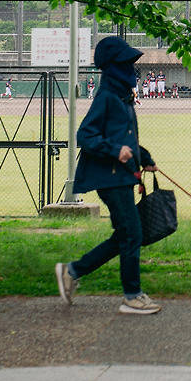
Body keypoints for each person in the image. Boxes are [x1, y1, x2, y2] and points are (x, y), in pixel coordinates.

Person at [55, 37, 161, 315]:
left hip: (122, 176)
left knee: (126, 234)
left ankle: (72, 271)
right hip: (109, 178)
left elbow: (124, 137)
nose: (131, 69)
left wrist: (144, 158)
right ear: (113, 66)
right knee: (133, 233)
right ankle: (132, 296)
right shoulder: (107, 97)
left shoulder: (122, 96)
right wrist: (115, 151)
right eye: (126, 63)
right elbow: (85, 135)